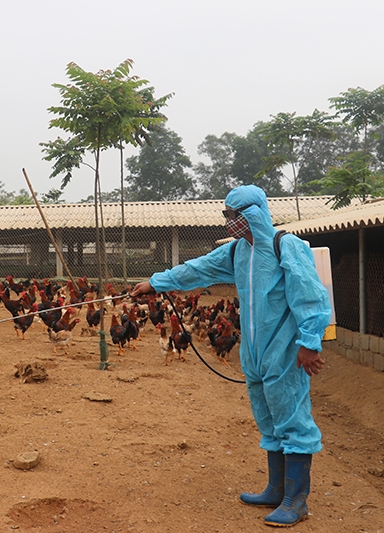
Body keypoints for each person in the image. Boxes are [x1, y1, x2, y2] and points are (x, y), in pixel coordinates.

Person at [130, 184, 330, 527]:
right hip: (253, 352)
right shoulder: (239, 251)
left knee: (292, 418)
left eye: (236, 215)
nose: (230, 222)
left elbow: (310, 295)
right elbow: (200, 269)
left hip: (284, 350)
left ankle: (296, 502)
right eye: (227, 215)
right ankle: (275, 488)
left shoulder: (287, 246)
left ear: (255, 214)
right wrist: (157, 282)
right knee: (267, 416)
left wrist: (310, 343)